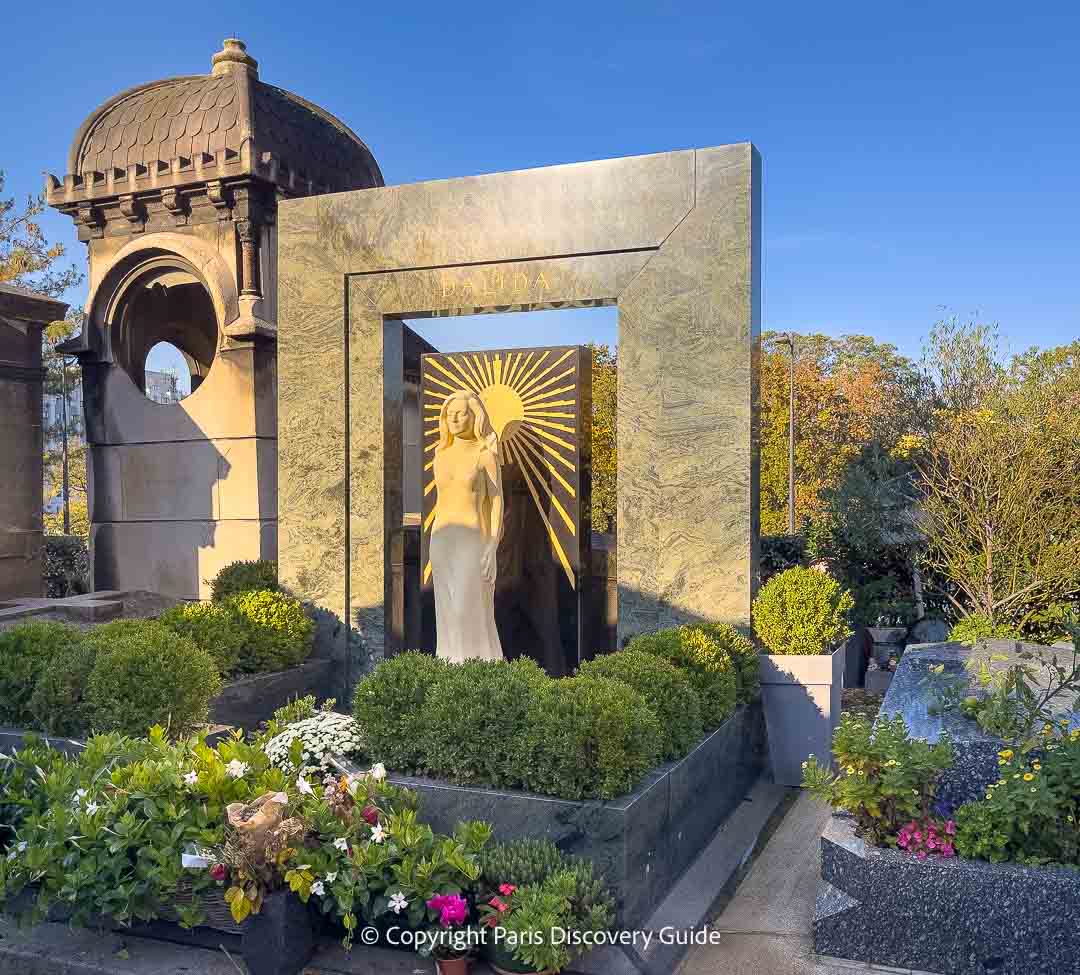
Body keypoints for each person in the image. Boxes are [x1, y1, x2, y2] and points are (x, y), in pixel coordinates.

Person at [430, 390, 505, 662]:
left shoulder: (485, 453)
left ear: (473, 416)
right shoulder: (441, 454)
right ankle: (448, 672)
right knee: (447, 611)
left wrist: (492, 545)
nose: (455, 419)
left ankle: (477, 672)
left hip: (471, 540)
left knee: (465, 609)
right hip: (440, 538)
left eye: (461, 413)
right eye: (450, 415)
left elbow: (497, 502)